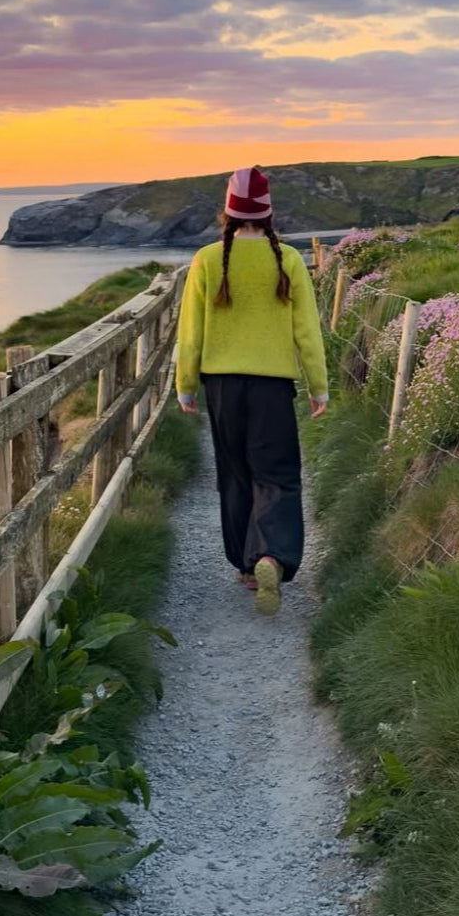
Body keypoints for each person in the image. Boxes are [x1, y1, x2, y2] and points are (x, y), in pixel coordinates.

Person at [175, 166, 329, 615]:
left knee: (236, 474)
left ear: (226, 212)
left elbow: (191, 332)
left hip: (222, 386)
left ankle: (246, 566)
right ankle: (271, 556)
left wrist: (186, 386)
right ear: (268, 213)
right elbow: (307, 331)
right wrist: (318, 386)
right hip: (272, 386)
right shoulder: (289, 259)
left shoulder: (206, 260)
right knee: (276, 474)